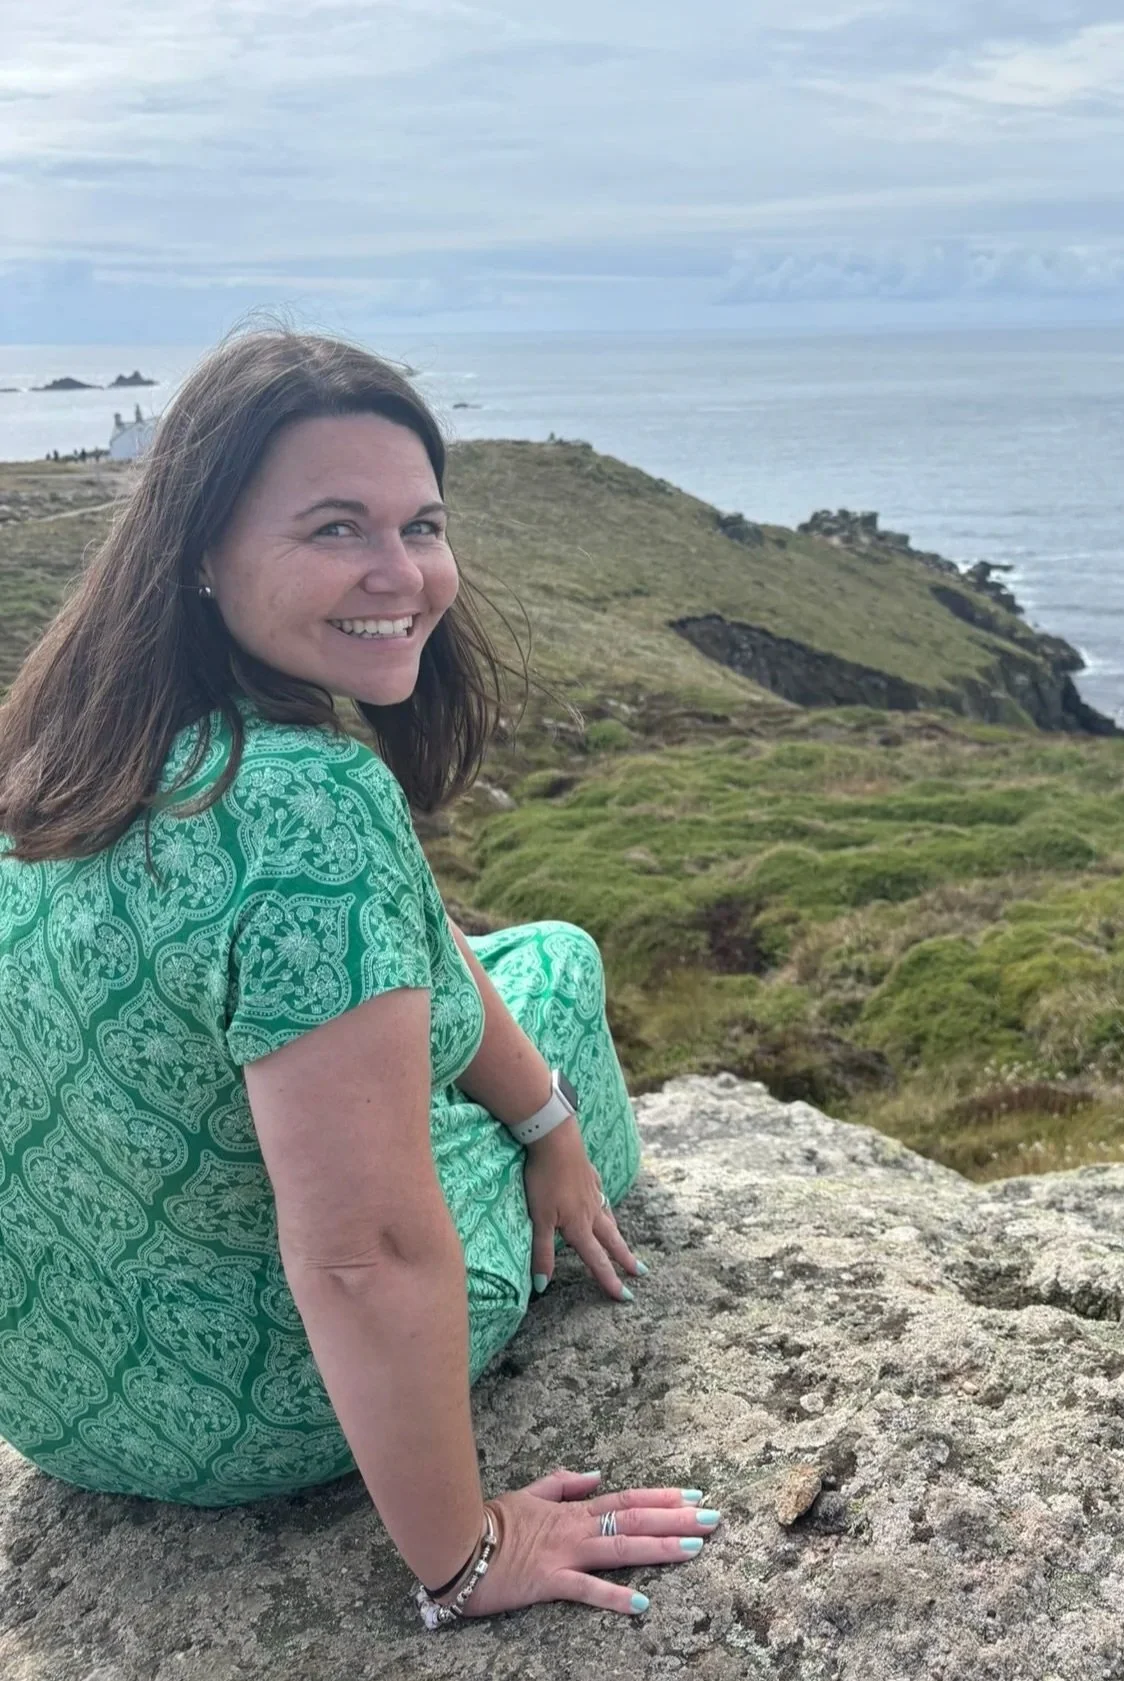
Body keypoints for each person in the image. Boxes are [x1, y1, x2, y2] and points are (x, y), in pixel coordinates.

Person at [0, 329, 718, 1627]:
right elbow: (365, 1253)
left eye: (423, 524)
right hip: (253, 1412)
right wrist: (467, 1557)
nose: (405, 574)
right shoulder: (309, 806)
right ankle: (589, 1199)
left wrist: (536, 1117)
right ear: (202, 555)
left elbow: (410, 951)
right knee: (556, 959)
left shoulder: (59, 753)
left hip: (57, 1396)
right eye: (337, 529)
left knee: (483, 974)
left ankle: (557, 1134)